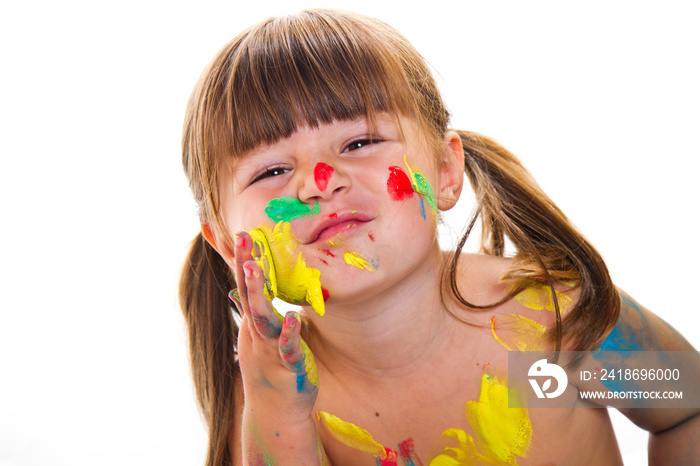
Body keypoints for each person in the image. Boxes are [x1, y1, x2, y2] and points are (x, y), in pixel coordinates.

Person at [179, 9, 699, 465]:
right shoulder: (269, 399)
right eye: (270, 171)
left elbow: (687, 408)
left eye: (359, 141)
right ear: (226, 240)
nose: (321, 182)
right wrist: (282, 419)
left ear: (447, 171)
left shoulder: (550, 324)